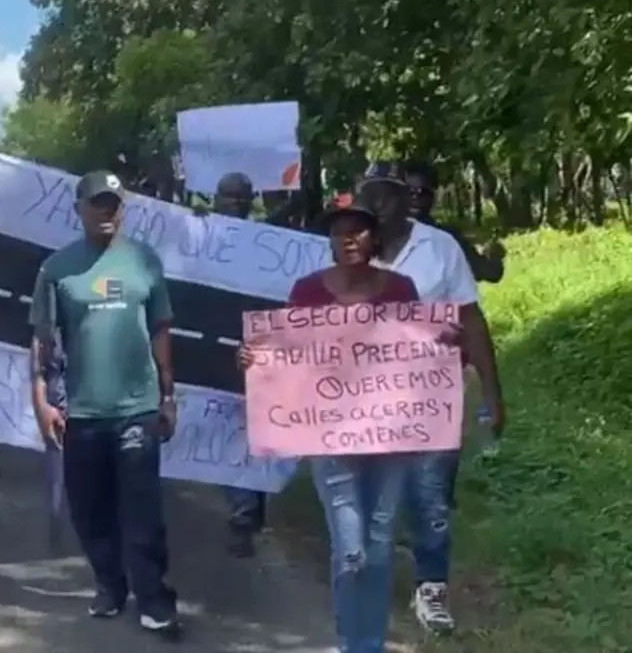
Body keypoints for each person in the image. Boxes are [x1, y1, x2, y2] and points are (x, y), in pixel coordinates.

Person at [242, 189, 423, 653]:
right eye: (339, 231)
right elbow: (284, 351)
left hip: (390, 440)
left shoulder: (401, 290)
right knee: (351, 550)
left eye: (357, 230)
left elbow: (421, 356)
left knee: (379, 545)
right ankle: (350, 640)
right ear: (329, 240)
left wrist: (445, 344)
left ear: (373, 237)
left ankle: (368, 644)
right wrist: (255, 357)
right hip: (330, 439)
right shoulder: (308, 292)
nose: (348, 238)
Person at [29, 170, 181, 639]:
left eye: (113, 204)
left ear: (123, 209)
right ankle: (110, 586)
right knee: (90, 510)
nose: (106, 212)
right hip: (83, 412)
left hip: (138, 408)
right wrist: (40, 401)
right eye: (97, 203)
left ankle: (155, 600)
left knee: (142, 511)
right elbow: (42, 341)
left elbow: (161, 330)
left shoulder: (144, 261)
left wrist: (168, 396)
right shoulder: (57, 269)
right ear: (79, 209)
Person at [362, 161, 506, 633]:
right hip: (365, 402)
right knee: (372, 495)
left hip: (431, 398)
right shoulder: (349, 251)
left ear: (407, 200)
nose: (377, 206)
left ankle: (431, 589)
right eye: (369, 196)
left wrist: (492, 394)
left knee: (431, 497)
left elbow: (471, 319)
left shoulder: (440, 247)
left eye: (386, 195)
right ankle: (372, 576)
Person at [209, 170, 270, 556]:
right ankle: (245, 507)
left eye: (243, 197)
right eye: (229, 196)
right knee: (224, 433)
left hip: (256, 350)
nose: (236, 203)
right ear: (215, 198)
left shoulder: (267, 242)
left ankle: (245, 512)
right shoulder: (197, 237)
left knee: (251, 434)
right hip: (209, 350)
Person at [404, 161, 505, 283]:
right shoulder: (385, 237)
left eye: (422, 192)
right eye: (408, 191)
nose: (415, 197)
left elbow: (488, 271)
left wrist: (493, 256)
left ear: (434, 195)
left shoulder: (447, 239)